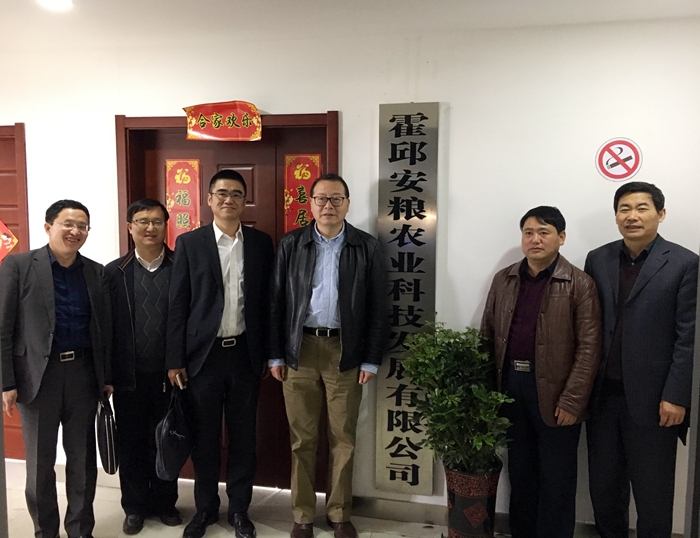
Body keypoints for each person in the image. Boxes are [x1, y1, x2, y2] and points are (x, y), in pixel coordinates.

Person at [269, 173, 388, 538]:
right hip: (300, 349)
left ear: (348, 204)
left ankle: (339, 513)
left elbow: (379, 308)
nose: (328, 206)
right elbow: (276, 302)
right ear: (310, 204)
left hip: (345, 351)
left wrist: (370, 359)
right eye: (321, 199)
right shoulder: (291, 244)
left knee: (343, 439)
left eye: (336, 199)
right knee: (302, 439)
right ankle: (303, 515)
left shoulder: (367, 247)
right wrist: (276, 355)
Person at [584, 181, 698, 538]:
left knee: (653, 494)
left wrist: (676, 395)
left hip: (655, 402)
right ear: (616, 216)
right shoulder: (597, 258)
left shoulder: (685, 263)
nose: (632, 216)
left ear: (660, 214)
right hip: (602, 398)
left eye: (642, 208)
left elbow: (688, 337)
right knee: (604, 490)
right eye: (624, 209)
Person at [480, 206, 601, 538]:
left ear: (561, 238)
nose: (535, 239)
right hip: (511, 385)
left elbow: (589, 348)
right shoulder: (504, 279)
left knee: (557, 477)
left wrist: (572, 400)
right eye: (529, 232)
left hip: (557, 392)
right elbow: (487, 334)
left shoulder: (579, 283)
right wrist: (487, 392)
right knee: (521, 472)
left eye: (544, 232)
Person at [166, 169, 273, 538]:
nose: (229, 199)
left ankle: (240, 510)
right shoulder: (190, 243)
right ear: (209, 199)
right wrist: (174, 359)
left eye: (237, 193)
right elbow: (178, 304)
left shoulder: (260, 243)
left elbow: (268, 303)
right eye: (222, 193)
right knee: (204, 438)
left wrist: (268, 353)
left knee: (244, 438)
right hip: (203, 358)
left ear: (244, 201)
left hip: (245, 354)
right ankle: (205, 509)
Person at [0, 200, 112, 538]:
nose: (75, 231)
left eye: (82, 226)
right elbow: (3, 328)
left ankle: (80, 529)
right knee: (39, 464)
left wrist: (106, 378)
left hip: (82, 376)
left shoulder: (95, 271)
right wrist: (6, 382)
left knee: (82, 461)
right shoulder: (19, 266)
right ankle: (45, 531)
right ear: (48, 227)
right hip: (37, 378)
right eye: (68, 224)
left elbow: (104, 329)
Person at [105, 198, 181, 535]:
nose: (150, 228)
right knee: (132, 444)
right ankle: (134, 507)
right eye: (142, 221)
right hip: (129, 377)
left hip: (171, 376)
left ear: (166, 226)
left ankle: (166, 503)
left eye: (156, 221)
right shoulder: (114, 272)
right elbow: (106, 329)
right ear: (130, 227)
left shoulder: (181, 266)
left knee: (167, 441)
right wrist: (107, 376)